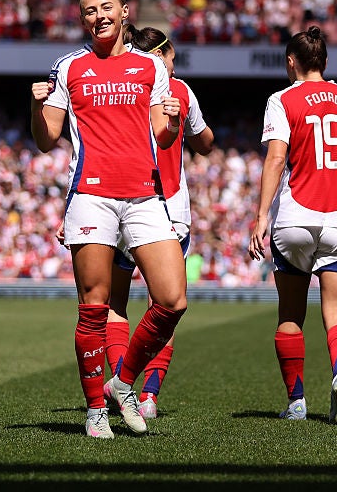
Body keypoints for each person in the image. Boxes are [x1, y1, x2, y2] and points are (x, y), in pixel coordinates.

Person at [31, 0, 188, 439]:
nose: (98, 16)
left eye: (105, 8)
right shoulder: (69, 67)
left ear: (124, 12)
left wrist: (174, 118)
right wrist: (35, 104)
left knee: (173, 299)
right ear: (82, 21)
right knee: (94, 309)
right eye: (88, 12)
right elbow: (46, 138)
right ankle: (95, 408)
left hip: (144, 195)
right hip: (91, 197)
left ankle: (122, 383)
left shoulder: (149, 67)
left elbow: (162, 134)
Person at [248, 25, 337, 426]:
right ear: (324, 61)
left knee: (290, 314)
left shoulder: (282, 99)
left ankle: (297, 402)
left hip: (295, 221)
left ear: (291, 62)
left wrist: (260, 216)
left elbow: (275, 159)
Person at [105, 26, 214, 420]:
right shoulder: (180, 91)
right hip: (169, 210)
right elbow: (206, 142)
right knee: (163, 306)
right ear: (164, 53)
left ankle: (120, 382)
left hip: (121, 203)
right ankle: (146, 394)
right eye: (171, 54)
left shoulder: (117, 84)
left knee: (115, 304)